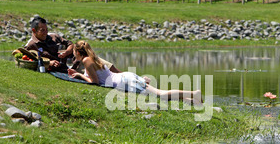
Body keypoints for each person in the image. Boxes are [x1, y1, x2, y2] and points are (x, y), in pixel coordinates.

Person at [69, 41, 203, 105]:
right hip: (126, 77)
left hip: (124, 81)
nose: (74, 55)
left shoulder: (86, 61)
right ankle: (193, 102)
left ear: (78, 52)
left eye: (74, 53)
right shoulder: (93, 58)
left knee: (161, 95)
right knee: (159, 94)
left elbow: (95, 82)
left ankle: (194, 94)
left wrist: (80, 75)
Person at [25, 16, 120, 73]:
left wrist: (66, 52)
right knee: (101, 73)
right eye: (42, 30)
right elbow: (29, 59)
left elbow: (71, 44)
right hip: (71, 69)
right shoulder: (31, 45)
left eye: (46, 29)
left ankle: (123, 75)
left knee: (101, 62)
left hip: (77, 61)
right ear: (34, 31)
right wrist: (49, 63)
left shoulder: (54, 37)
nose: (46, 32)